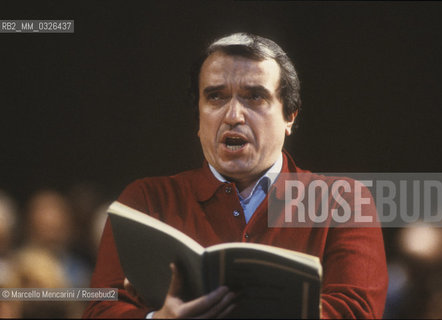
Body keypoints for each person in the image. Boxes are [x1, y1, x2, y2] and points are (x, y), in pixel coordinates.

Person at [83, 33, 388, 319]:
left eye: (254, 97)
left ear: (289, 116)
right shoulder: (146, 200)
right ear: (198, 116)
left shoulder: (343, 200)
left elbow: (356, 311)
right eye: (216, 97)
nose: (233, 116)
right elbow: (100, 309)